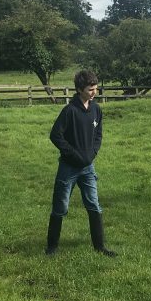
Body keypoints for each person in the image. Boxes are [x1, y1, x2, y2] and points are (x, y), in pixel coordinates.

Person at [45, 70, 116, 257]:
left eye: (96, 88)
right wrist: (73, 155)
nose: (94, 92)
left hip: (88, 168)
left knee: (94, 204)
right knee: (61, 206)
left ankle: (100, 247)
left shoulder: (96, 109)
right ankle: (51, 247)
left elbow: (98, 135)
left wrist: (92, 153)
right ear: (78, 90)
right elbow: (55, 135)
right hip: (68, 167)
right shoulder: (69, 111)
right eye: (90, 89)